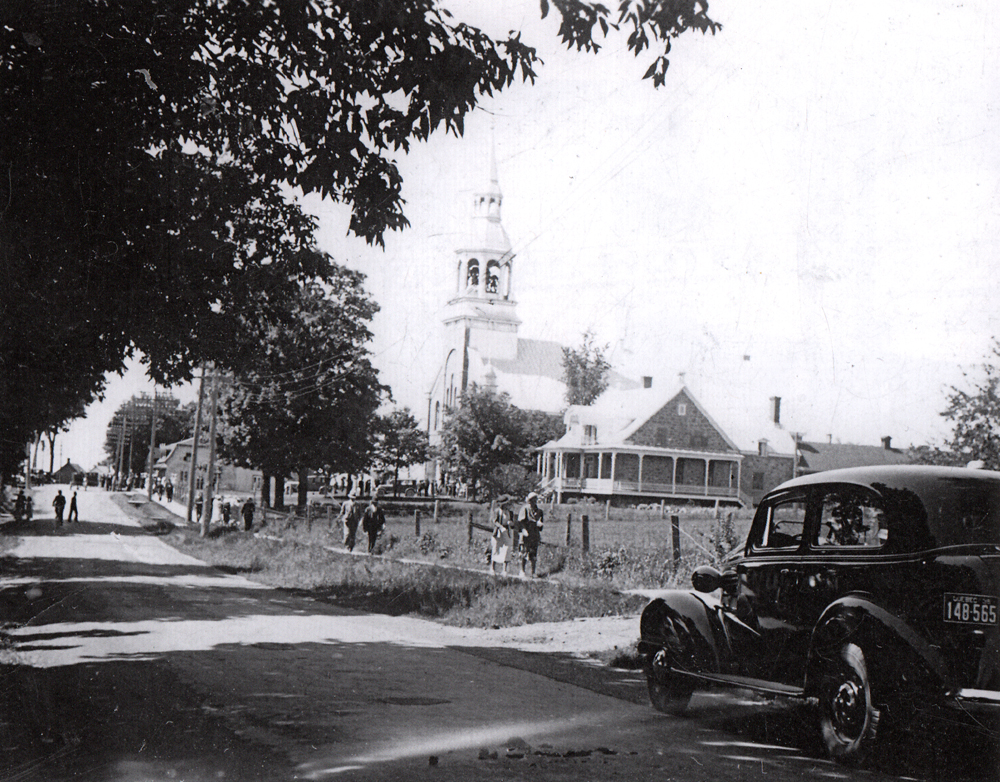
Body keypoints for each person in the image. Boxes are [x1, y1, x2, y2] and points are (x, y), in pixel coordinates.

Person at [516, 491, 544, 578]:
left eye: (535, 499)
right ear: (529, 500)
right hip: (526, 534)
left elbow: (540, 524)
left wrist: (540, 524)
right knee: (524, 552)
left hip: (534, 534)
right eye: (532, 500)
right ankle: (522, 571)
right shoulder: (525, 509)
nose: (534, 501)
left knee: (533, 553)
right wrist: (524, 530)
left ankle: (533, 572)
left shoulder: (539, 511)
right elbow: (521, 522)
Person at [489, 495, 515, 576]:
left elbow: (513, 523)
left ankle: (504, 570)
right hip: (499, 532)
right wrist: (500, 526)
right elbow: (494, 521)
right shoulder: (497, 511)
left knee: (506, 549)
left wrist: (511, 523)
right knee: (496, 548)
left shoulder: (510, 513)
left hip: (507, 532)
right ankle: (492, 568)